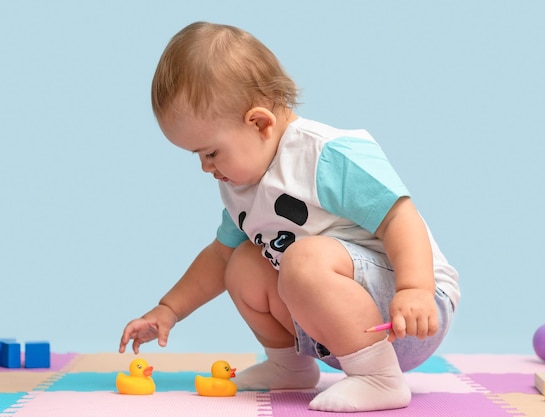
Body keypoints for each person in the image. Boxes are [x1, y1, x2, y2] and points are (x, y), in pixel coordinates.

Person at [118, 21, 460, 412]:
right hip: (331, 330)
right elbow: (219, 256)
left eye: (210, 153)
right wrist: (169, 309)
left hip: (410, 311)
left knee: (304, 258)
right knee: (243, 261)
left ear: (260, 122)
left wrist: (414, 290)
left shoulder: (325, 155)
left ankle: (379, 379)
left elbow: (400, 218)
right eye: (196, 156)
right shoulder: (241, 185)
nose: (205, 168)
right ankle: (289, 368)